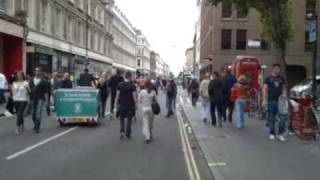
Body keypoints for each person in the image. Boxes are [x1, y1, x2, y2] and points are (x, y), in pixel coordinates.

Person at [263, 64, 287, 141]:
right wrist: (264, 100)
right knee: (272, 117)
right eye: (276, 69)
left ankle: (280, 133)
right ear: (273, 69)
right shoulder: (268, 78)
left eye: (279, 69)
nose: (278, 70)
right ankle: (272, 133)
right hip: (271, 100)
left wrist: (284, 96)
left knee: (282, 118)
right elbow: (265, 89)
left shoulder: (281, 79)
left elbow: (284, 88)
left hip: (280, 101)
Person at [115, 71, 137, 139]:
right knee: (129, 120)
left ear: (125, 76)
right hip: (130, 105)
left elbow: (117, 96)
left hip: (121, 105)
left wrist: (115, 104)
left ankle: (122, 132)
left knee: (121, 119)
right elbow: (134, 97)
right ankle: (128, 134)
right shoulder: (132, 85)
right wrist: (136, 104)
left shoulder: (120, 84)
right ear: (130, 77)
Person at [29, 67, 49, 134]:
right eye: (36, 71)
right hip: (32, 99)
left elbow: (46, 92)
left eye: (38, 71)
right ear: (34, 72)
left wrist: (46, 101)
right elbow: (29, 90)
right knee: (33, 115)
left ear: (41, 72)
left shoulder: (44, 81)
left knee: (38, 114)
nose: (37, 72)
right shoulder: (31, 80)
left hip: (40, 99)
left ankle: (37, 128)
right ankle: (36, 124)